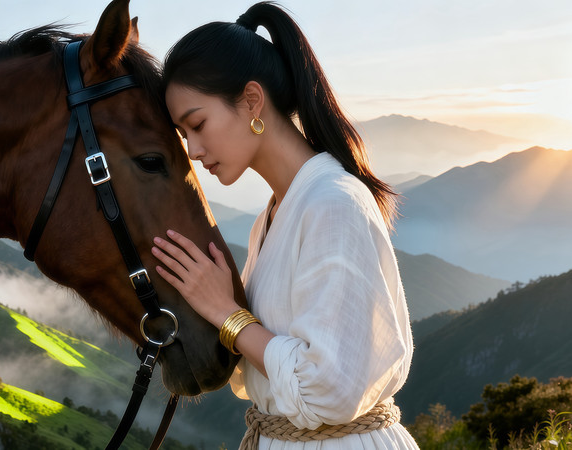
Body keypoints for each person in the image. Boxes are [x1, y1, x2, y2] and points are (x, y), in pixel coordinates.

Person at [150, 2, 418, 449]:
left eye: (197, 124)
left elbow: (327, 389)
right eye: (183, 135)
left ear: (252, 101)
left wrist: (227, 314)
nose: (193, 150)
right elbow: (272, 364)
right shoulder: (272, 218)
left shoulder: (333, 203)